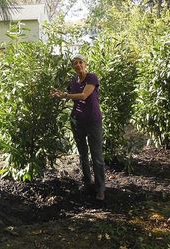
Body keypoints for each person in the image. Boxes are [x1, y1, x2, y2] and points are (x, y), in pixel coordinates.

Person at [52, 54, 106, 201]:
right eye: (75, 63)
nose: (78, 65)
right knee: (83, 154)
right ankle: (87, 183)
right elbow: (67, 92)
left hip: (93, 121)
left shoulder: (92, 77)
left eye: (80, 62)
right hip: (77, 121)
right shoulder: (73, 81)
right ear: (73, 67)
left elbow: (83, 96)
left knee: (97, 156)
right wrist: (58, 94)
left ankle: (100, 189)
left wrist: (65, 95)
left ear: (85, 63)